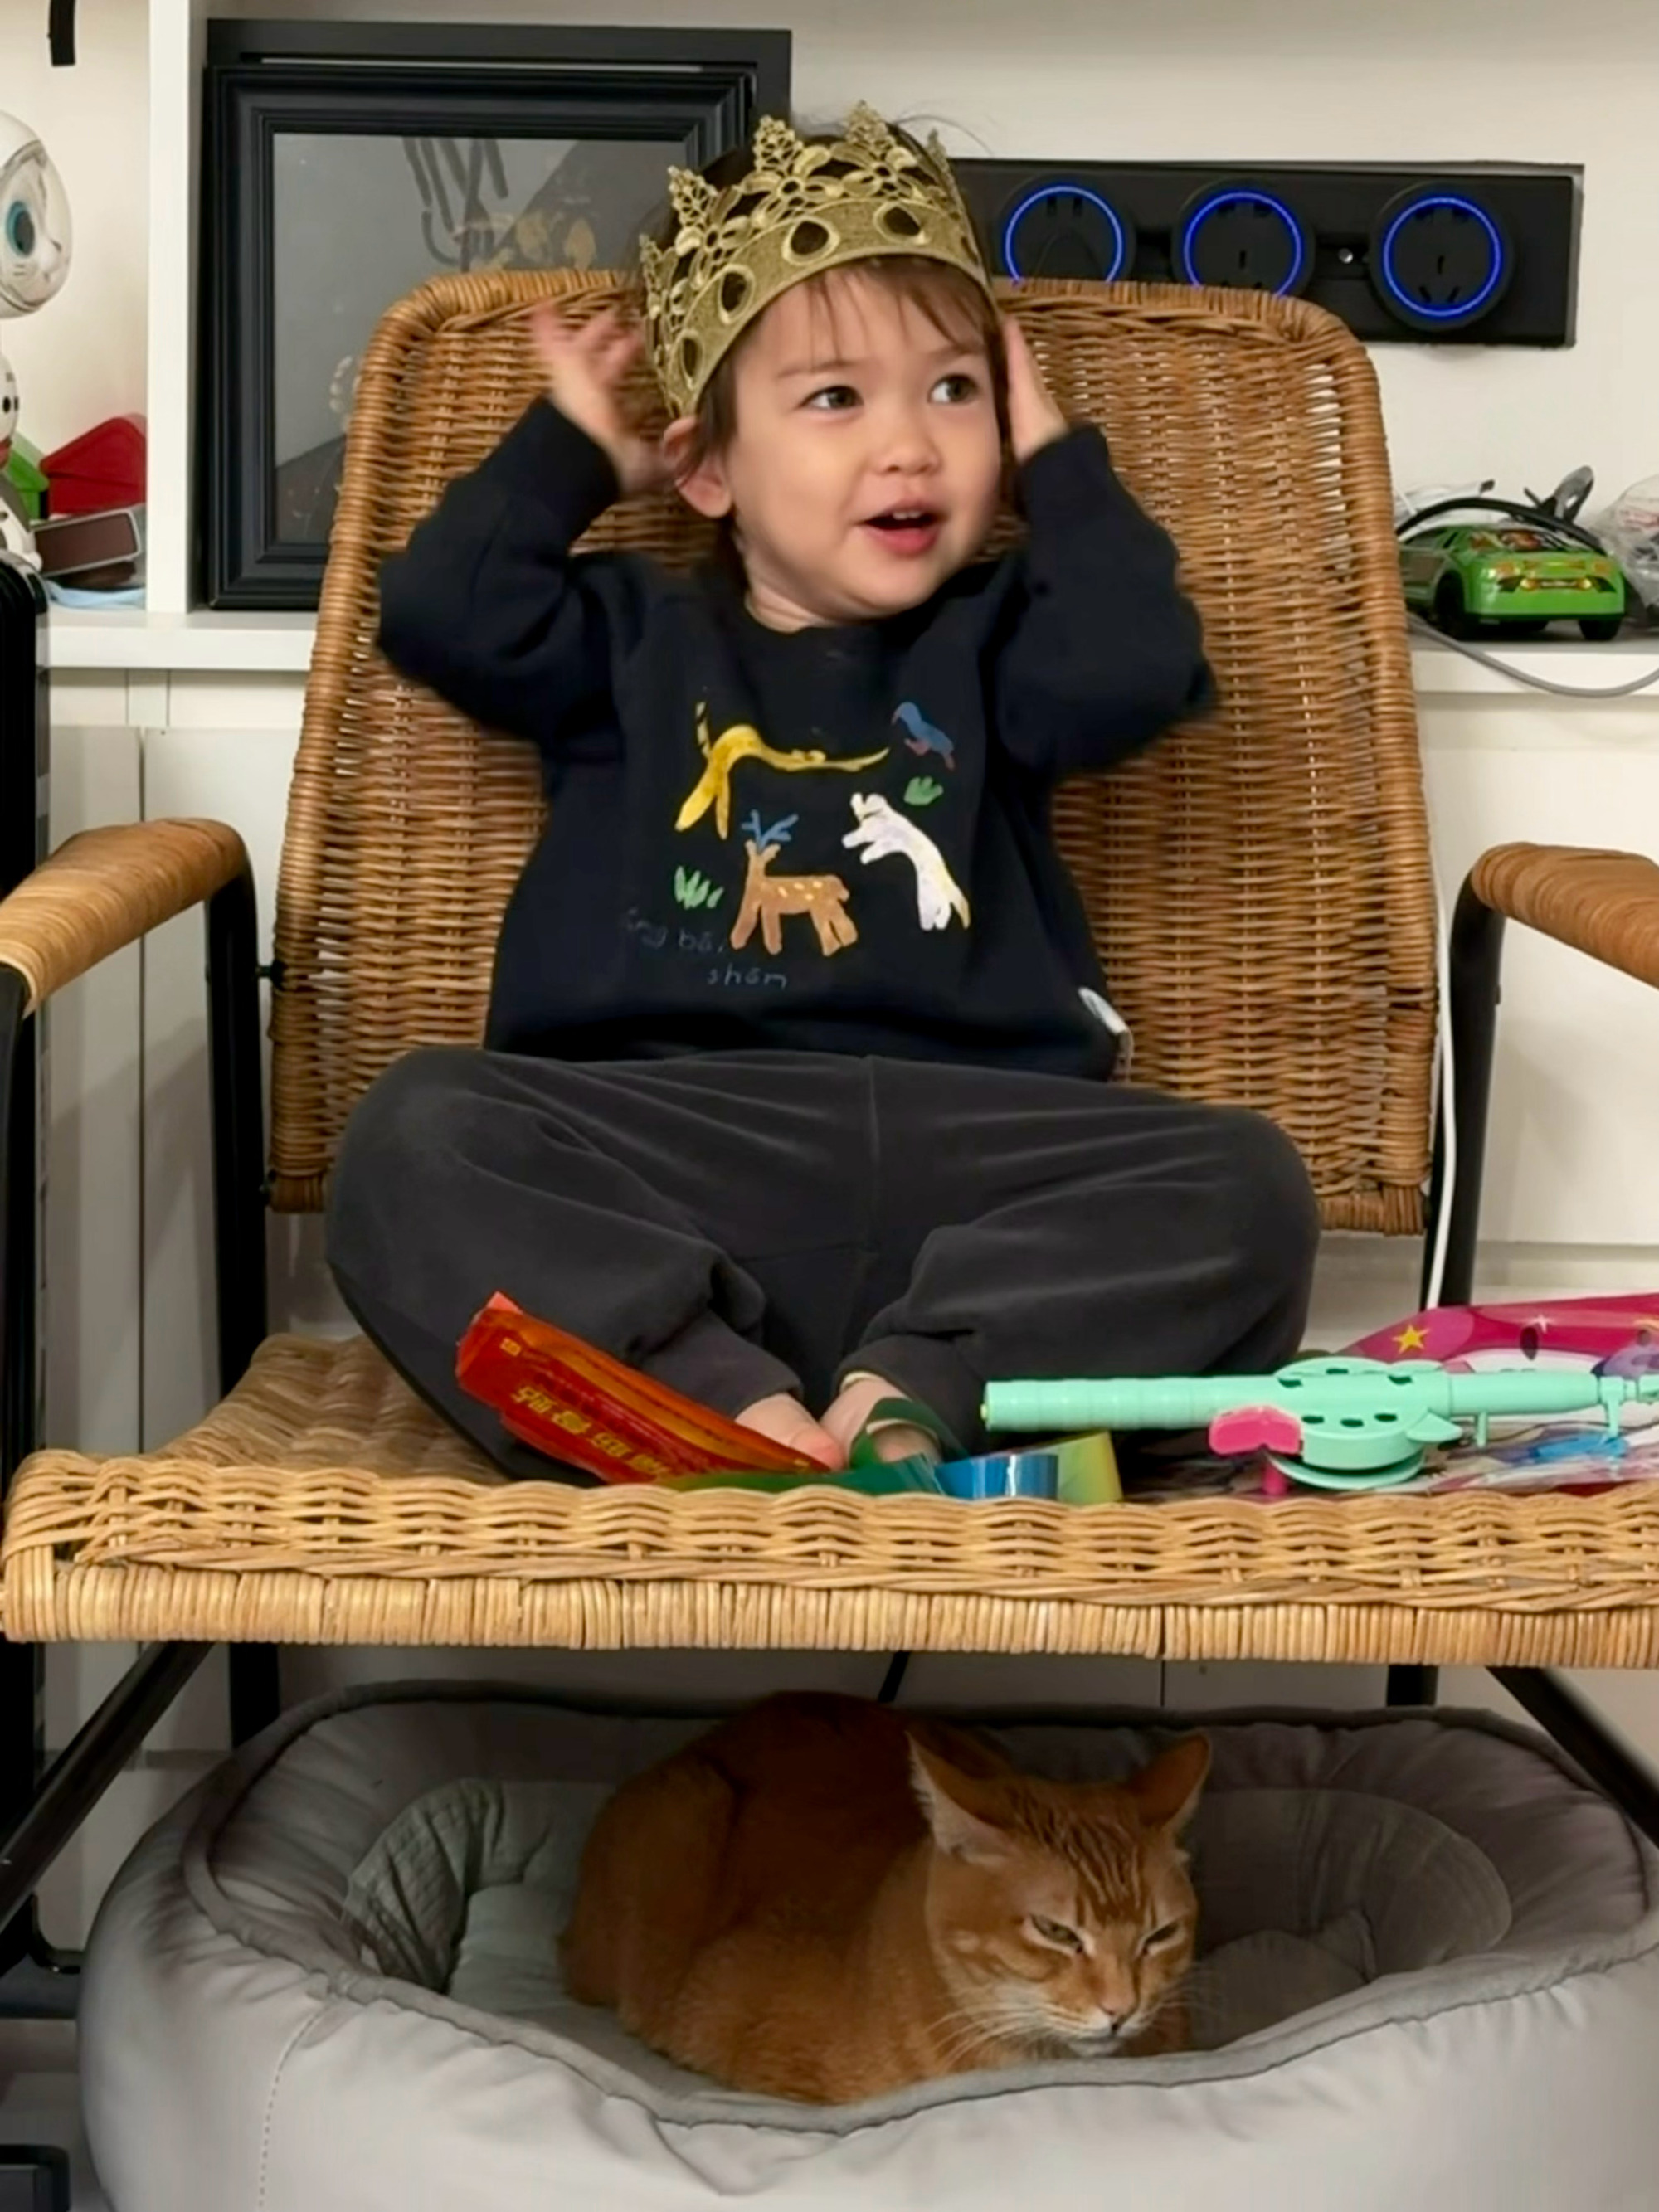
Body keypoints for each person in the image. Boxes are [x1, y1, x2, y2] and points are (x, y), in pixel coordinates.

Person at [326, 104, 1319, 1481]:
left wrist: (1054, 459)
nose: (908, 446)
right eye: (837, 399)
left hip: (974, 1172)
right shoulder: (625, 635)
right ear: (707, 468)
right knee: (414, 1138)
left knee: (1249, 1183)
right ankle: (711, 1402)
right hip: (673, 1156)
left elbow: (1138, 665)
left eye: (953, 391)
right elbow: (443, 611)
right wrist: (570, 453)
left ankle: (917, 1400)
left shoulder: (1007, 641)